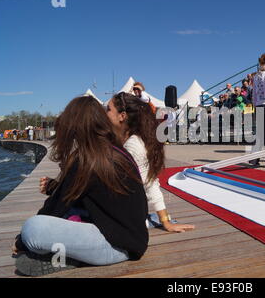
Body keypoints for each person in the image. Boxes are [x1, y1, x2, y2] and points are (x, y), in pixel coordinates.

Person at [13, 96, 149, 276]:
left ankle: (71, 258)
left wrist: (21, 242)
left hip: (117, 247)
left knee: (33, 229)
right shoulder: (114, 149)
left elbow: (54, 207)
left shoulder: (87, 159)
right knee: (66, 215)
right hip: (132, 238)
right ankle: (71, 255)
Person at [108, 93, 195, 233]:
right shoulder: (122, 138)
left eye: (108, 109)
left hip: (120, 216)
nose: (104, 113)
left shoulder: (133, 145)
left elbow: (150, 183)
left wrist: (165, 221)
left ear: (122, 116)